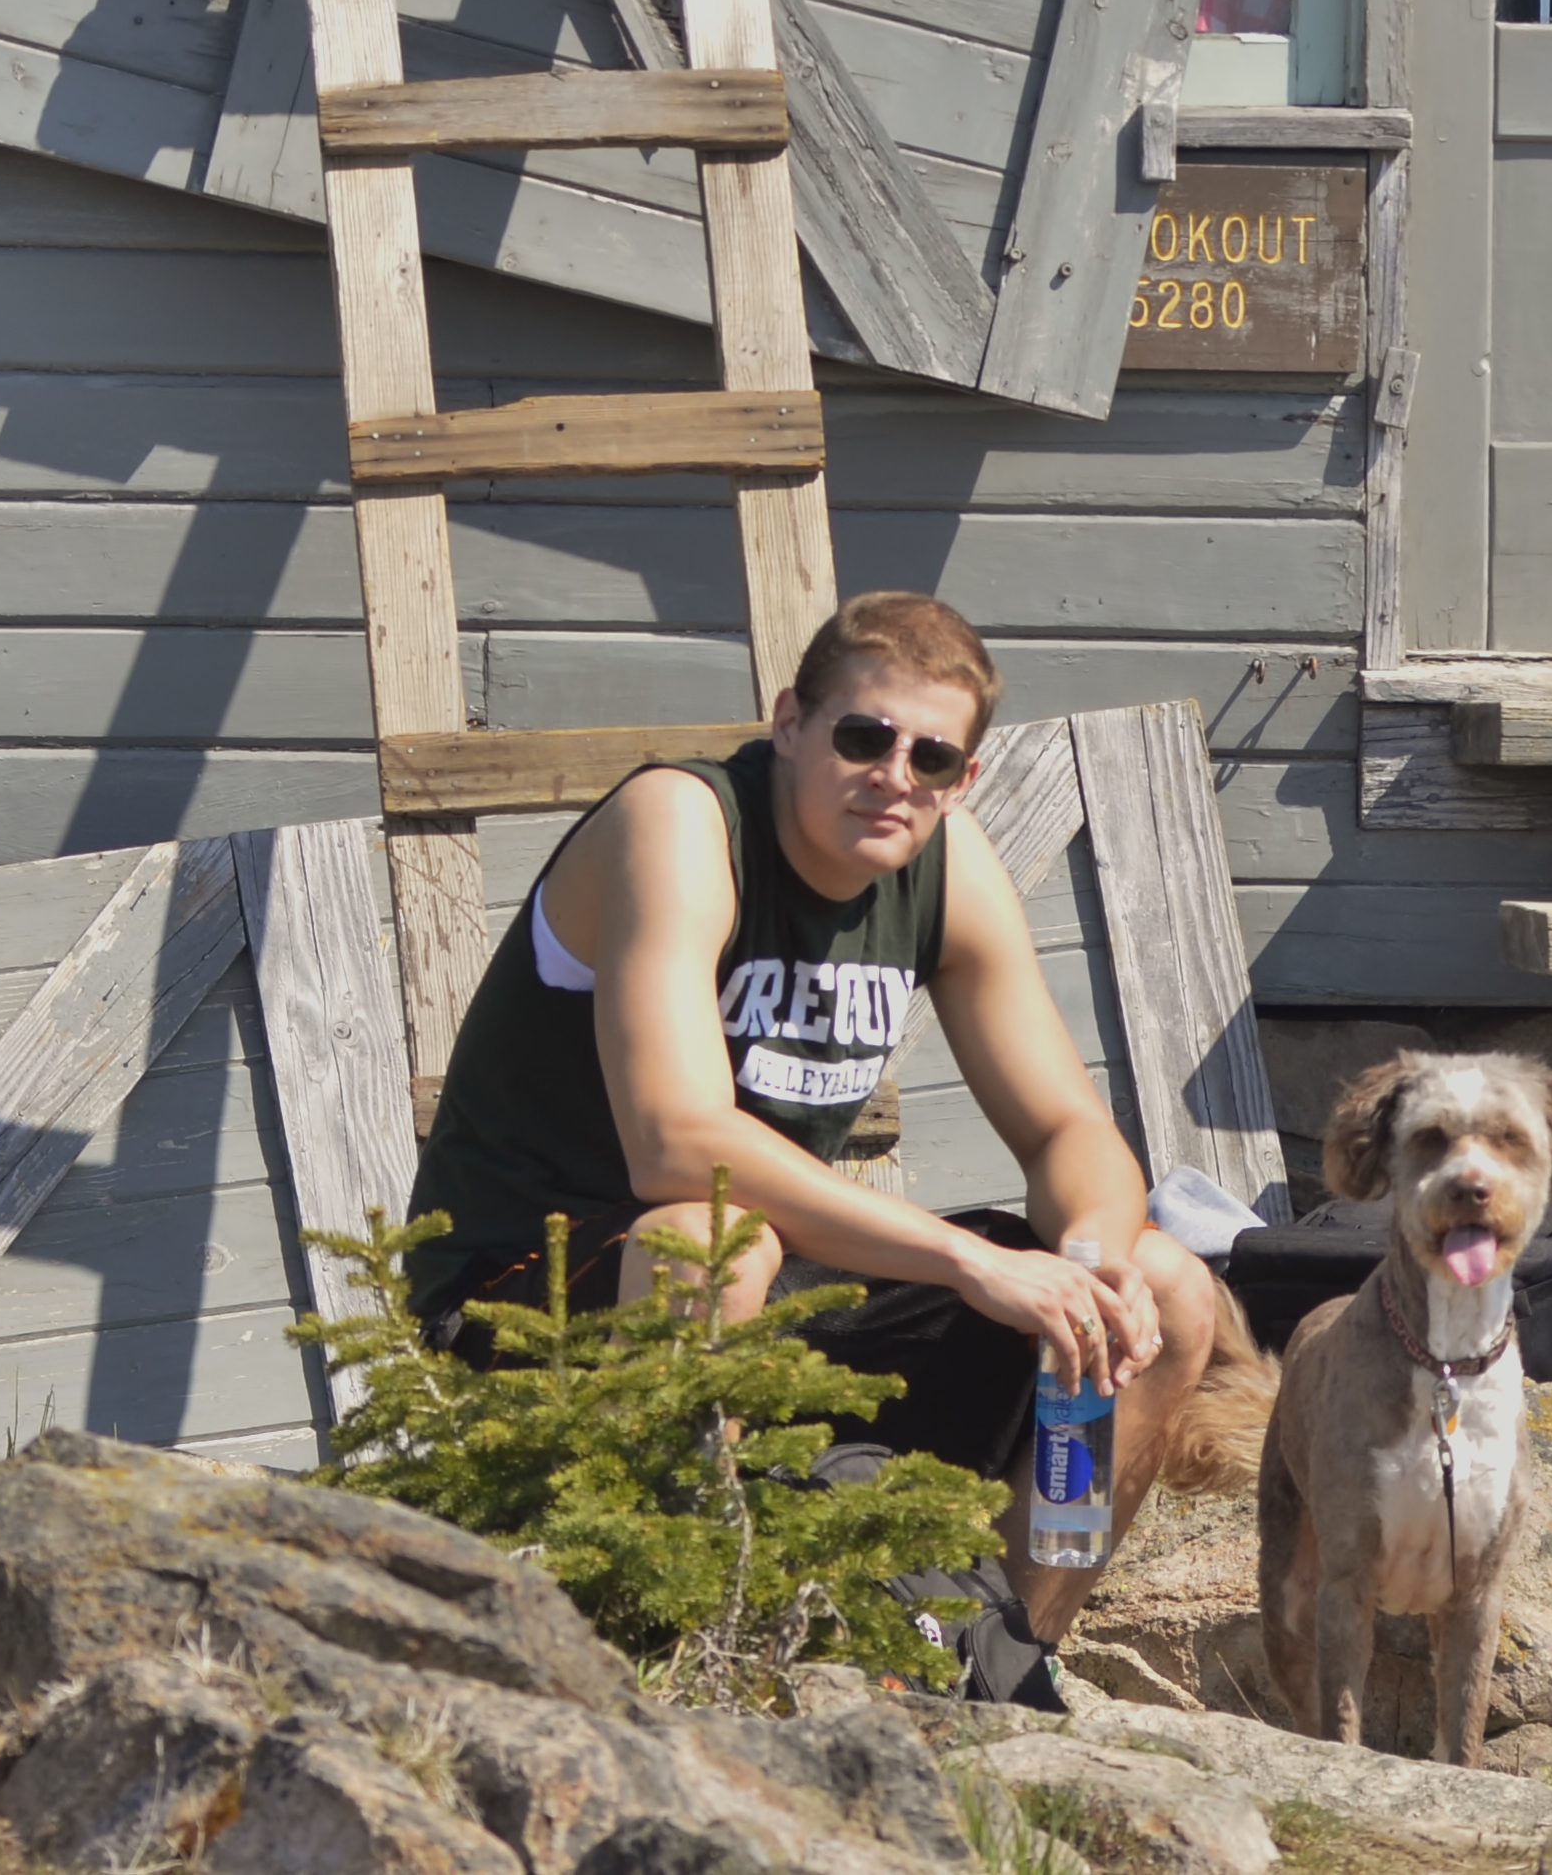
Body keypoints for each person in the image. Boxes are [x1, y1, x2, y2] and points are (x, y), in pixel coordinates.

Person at [406, 590, 1225, 1645]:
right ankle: (683, 1645)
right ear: (790, 722)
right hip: (534, 1295)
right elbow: (676, 1145)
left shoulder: (948, 863)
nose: (893, 775)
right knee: (713, 1240)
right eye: (862, 737)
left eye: (931, 757)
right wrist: (968, 1261)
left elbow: (1068, 1129)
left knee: (1165, 1287)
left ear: (963, 779)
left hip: (777, 1285)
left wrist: (1090, 1264)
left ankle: (1009, 1667)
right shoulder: (682, 823)